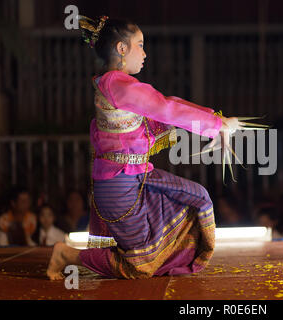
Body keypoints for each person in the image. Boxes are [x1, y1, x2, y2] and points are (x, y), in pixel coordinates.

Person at [47, 15, 240, 280]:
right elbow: (164, 108)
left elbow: (166, 104)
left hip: (134, 179)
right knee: (141, 263)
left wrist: (217, 121)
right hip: (120, 187)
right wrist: (217, 124)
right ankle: (67, 255)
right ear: (121, 48)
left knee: (196, 196)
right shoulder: (117, 84)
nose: (145, 53)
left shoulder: (115, 84)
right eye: (140, 44)